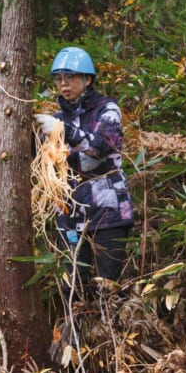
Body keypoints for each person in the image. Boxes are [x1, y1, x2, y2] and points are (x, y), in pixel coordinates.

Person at [34, 47, 134, 312]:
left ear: (87, 79)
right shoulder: (57, 118)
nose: (63, 84)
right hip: (70, 214)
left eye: (71, 77)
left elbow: (103, 147)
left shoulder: (107, 110)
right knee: (72, 287)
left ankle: (112, 344)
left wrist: (64, 132)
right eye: (59, 79)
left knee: (107, 288)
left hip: (109, 213)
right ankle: (76, 345)